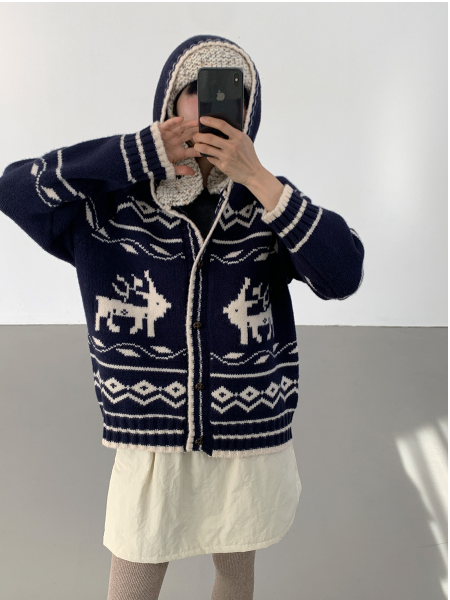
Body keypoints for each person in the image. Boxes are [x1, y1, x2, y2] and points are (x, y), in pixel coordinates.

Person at [0, 34, 365, 600]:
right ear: (170, 103)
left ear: (249, 113)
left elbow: (344, 274)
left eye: (231, 95)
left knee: (235, 574)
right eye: (196, 90)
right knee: (133, 581)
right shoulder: (114, 201)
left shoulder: (266, 202)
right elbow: (15, 190)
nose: (212, 106)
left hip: (246, 434)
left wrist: (259, 178)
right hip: (150, 441)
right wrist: (133, 153)